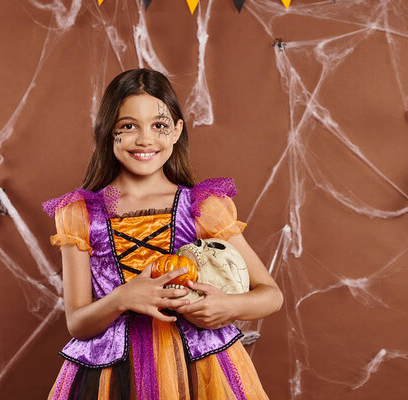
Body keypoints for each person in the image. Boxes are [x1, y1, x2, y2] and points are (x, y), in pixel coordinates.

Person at [42, 68, 283, 399]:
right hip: (115, 374)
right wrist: (123, 298)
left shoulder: (203, 206)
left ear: (176, 131)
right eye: (128, 126)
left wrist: (228, 306)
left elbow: (271, 294)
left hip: (202, 367)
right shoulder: (81, 214)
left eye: (159, 126)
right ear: (107, 132)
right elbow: (77, 323)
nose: (145, 139)